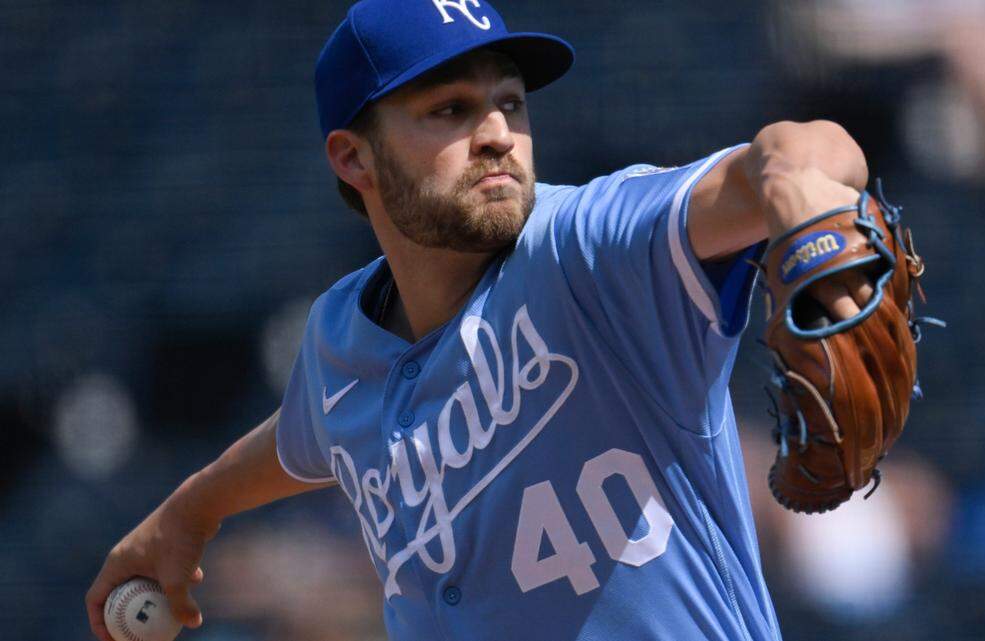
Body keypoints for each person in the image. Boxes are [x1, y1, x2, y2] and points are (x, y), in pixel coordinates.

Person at [85, 1, 876, 639]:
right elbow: (308, 435)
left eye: (509, 102)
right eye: (452, 110)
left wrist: (802, 193)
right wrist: (190, 510)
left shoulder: (592, 249)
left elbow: (805, 149)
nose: (498, 133)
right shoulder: (338, 342)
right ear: (353, 159)